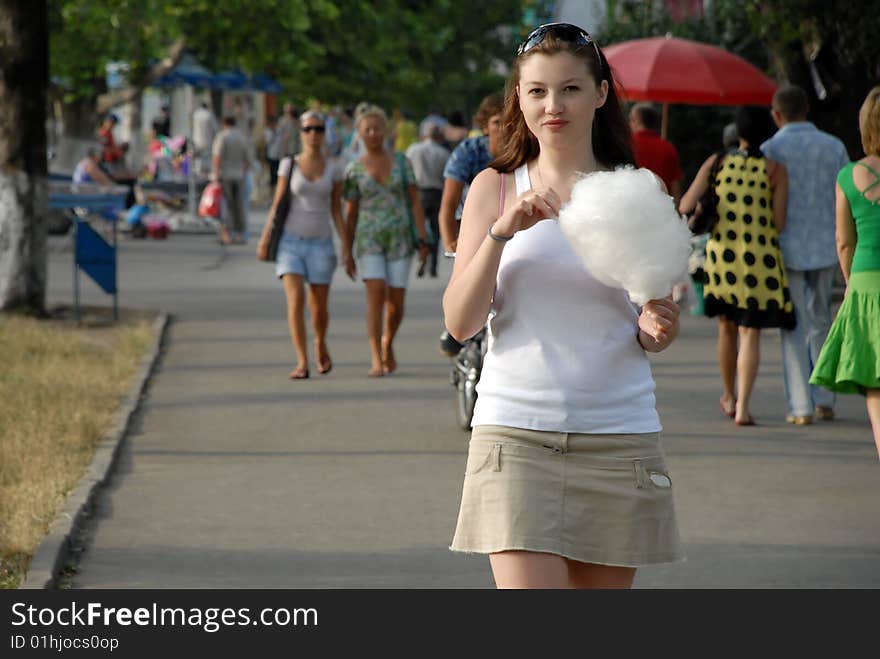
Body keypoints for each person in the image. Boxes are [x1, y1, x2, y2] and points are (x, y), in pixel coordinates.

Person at [443, 23, 684, 589]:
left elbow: (655, 321)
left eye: (571, 89)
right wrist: (501, 234)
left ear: (601, 93)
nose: (554, 106)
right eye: (538, 91)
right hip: (516, 435)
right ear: (520, 99)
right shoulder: (493, 189)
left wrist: (656, 326)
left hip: (618, 436)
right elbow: (459, 322)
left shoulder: (639, 189)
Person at [680, 106, 795, 426]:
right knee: (750, 332)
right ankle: (744, 407)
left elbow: (686, 204)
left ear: (738, 131)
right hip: (760, 259)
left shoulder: (717, 162)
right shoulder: (775, 170)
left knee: (726, 328)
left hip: (724, 257)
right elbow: (779, 222)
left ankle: (728, 396)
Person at [760, 84, 851, 425]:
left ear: (776, 114)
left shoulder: (771, 148)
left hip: (787, 246)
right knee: (821, 321)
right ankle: (825, 396)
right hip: (828, 243)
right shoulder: (834, 146)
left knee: (793, 325)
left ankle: (800, 405)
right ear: (807, 109)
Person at [810, 86, 880, 459]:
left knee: (875, 382)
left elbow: (844, 241)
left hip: (867, 282)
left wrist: (853, 282)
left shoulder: (850, 176)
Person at [257, 111, 349, 379]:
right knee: (295, 300)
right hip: (290, 242)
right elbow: (277, 202)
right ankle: (301, 360)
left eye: (319, 129)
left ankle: (320, 341)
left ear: (325, 133)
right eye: (308, 129)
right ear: (301, 133)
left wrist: (346, 246)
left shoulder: (334, 167)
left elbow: (336, 210)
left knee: (318, 308)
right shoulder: (289, 165)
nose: (313, 134)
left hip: (321, 243)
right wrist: (265, 239)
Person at [342, 105, 430, 377]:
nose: (372, 133)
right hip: (369, 238)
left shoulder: (402, 162)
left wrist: (423, 235)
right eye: (366, 129)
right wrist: (347, 249)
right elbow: (351, 211)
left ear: (386, 131)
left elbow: (415, 201)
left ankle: (387, 342)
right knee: (375, 294)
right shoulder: (354, 169)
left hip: (400, 238)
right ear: (358, 134)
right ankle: (375, 357)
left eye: (377, 128)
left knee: (396, 301)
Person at [437, 92, 504, 356]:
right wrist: (450, 240)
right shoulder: (468, 151)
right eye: (497, 122)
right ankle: (457, 323)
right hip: (470, 225)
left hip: (509, 223)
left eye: (510, 121)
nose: (504, 128)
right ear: (486, 126)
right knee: (464, 274)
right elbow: (448, 203)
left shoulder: (522, 149)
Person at [405, 122, 450, 277]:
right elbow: (447, 177)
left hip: (418, 192)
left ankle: (421, 255)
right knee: (436, 231)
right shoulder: (444, 153)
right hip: (437, 193)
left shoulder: (413, 150)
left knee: (420, 228)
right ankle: (433, 266)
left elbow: (406, 171)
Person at [629, 102, 683, 204]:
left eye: (630, 120)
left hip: (633, 207)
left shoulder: (627, 144)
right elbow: (675, 187)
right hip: (661, 209)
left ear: (636, 120)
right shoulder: (668, 148)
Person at [211, 115, 252, 245]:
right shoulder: (242, 137)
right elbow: (247, 160)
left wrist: (216, 174)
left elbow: (217, 157)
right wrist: (242, 172)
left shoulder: (222, 136)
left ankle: (227, 234)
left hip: (226, 174)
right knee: (239, 205)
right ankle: (240, 234)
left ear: (224, 123)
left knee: (226, 205)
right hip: (239, 175)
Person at [192, 101, 218, 176]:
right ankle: (207, 173)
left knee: (198, 158)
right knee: (207, 158)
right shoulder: (209, 114)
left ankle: (198, 173)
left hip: (196, 140)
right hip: (207, 140)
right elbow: (215, 128)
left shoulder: (195, 114)